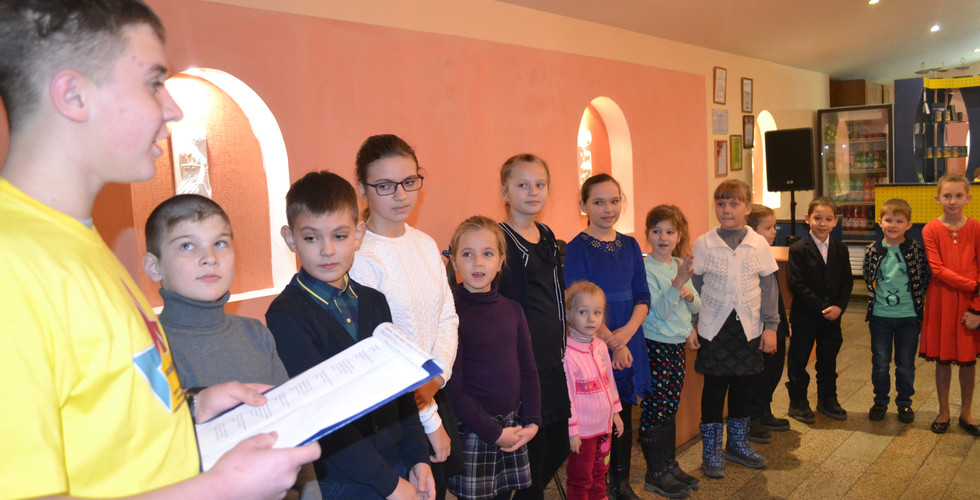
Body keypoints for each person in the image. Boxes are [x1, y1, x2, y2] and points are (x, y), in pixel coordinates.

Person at [0, 1, 319, 498]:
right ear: (73, 95)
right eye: (153, 83)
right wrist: (219, 489)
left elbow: (107, 431)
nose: (172, 108)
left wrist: (194, 409)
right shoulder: (12, 261)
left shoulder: (77, 242)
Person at [265, 171, 434, 499]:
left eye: (339, 236)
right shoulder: (287, 315)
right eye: (311, 238)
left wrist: (417, 456)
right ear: (290, 239)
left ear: (358, 235)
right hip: (340, 479)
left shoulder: (374, 302)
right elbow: (320, 414)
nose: (327, 250)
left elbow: (401, 389)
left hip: (396, 461)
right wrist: (388, 484)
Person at [141, 194, 320, 500]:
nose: (210, 257)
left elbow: (292, 431)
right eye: (187, 246)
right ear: (154, 266)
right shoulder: (149, 348)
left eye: (220, 243)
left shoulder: (256, 334)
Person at [348, 134, 463, 498]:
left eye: (409, 182)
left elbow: (447, 319)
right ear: (362, 189)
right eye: (385, 185)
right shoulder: (359, 256)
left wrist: (437, 380)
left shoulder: (424, 243)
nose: (400, 195)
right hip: (393, 415)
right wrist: (428, 416)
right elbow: (380, 350)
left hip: (433, 391)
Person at [563, 173, 650, 500]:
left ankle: (620, 482)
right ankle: (595, 479)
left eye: (614, 201)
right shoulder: (577, 248)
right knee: (597, 416)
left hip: (629, 336)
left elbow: (643, 296)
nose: (608, 208)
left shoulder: (630, 245)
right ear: (584, 205)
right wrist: (612, 341)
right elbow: (577, 302)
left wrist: (626, 334)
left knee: (622, 410)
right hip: (594, 341)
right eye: (598, 202)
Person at [445, 215, 541, 500]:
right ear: (454, 262)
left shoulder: (513, 310)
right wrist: (495, 434)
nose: (478, 263)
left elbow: (529, 371)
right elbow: (453, 391)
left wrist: (533, 421)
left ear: (500, 261)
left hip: (512, 426)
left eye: (487, 254)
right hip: (474, 428)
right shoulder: (450, 314)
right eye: (467, 254)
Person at [690, 179, 778, 479]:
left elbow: (769, 286)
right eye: (721, 204)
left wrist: (771, 326)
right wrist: (692, 325)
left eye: (733, 204)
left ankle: (737, 444)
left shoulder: (758, 243)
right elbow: (694, 286)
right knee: (715, 389)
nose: (726, 210)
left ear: (747, 207)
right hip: (714, 328)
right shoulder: (704, 243)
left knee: (744, 387)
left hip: (748, 328)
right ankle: (711, 450)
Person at [496, 154, 571, 499]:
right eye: (522, 185)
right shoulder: (500, 239)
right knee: (534, 452)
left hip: (552, 359)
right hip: (524, 363)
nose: (532, 192)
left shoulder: (547, 234)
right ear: (505, 192)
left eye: (540, 184)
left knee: (559, 446)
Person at [638, 205, 699, 499]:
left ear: (679, 235)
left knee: (670, 407)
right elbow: (659, 312)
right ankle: (655, 473)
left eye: (670, 232)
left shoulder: (678, 263)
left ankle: (669, 464)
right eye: (657, 231)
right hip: (656, 345)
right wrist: (678, 284)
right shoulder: (646, 269)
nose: (663, 237)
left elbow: (697, 305)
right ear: (647, 234)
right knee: (655, 408)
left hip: (676, 346)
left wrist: (687, 292)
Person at [919, 174, 980, 435]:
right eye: (947, 196)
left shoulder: (977, 228)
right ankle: (943, 411)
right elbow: (937, 269)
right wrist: (972, 286)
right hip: (941, 301)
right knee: (942, 360)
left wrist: (977, 308)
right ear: (937, 198)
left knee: (968, 361)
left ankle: (966, 412)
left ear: (968, 198)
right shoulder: (930, 230)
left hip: (970, 304)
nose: (952, 201)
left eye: (958, 196)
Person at [862, 198, 930, 424]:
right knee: (880, 362)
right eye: (888, 220)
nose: (893, 225)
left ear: (909, 224)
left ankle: (904, 402)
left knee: (906, 364)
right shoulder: (872, 250)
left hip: (908, 318)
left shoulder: (917, 250)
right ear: (880, 222)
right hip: (880, 317)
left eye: (899, 221)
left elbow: (924, 276)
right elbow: (867, 276)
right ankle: (880, 400)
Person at [785, 197, 853, 423]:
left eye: (828, 219)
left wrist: (839, 307)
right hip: (806, 315)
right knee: (799, 359)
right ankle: (798, 401)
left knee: (828, 360)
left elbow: (847, 282)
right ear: (807, 219)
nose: (822, 223)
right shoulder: (798, 249)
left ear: (835, 221)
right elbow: (796, 284)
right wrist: (824, 307)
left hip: (832, 317)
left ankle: (827, 399)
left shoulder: (840, 249)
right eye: (817, 218)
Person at [563, 281, 625, 500]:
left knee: (600, 473)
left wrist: (615, 413)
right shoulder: (568, 354)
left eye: (597, 312)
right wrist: (572, 431)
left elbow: (609, 381)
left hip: (603, 427)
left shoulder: (600, 346)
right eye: (583, 312)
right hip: (583, 432)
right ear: (569, 314)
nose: (591, 319)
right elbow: (568, 397)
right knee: (581, 478)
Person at [745, 204, 792, 443]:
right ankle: (752, 417)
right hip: (757, 325)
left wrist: (782, 323)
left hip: (774, 323)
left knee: (774, 369)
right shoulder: (749, 258)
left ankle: (764, 410)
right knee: (758, 373)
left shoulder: (766, 254)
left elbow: (775, 295)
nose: (774, 232)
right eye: (768, 228)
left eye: (775, 227)